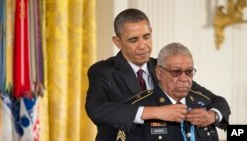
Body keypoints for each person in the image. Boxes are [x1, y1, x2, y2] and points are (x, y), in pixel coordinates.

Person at [85, 8, 230, 141]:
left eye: (146, 37)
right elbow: (97, 110)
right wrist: (155, 112)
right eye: (133, 40)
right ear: (117, 42)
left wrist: (213, 115)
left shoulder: (164, 67)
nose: (143, 45)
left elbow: (215, 100)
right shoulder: (102, 71)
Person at [129, 42, 231, 141]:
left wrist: (214, 115)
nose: (184, 79)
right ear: (159, 73)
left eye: (189, 72)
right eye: (176, 72)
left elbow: (221, 103)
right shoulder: (139, 108)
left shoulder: (205, 104)